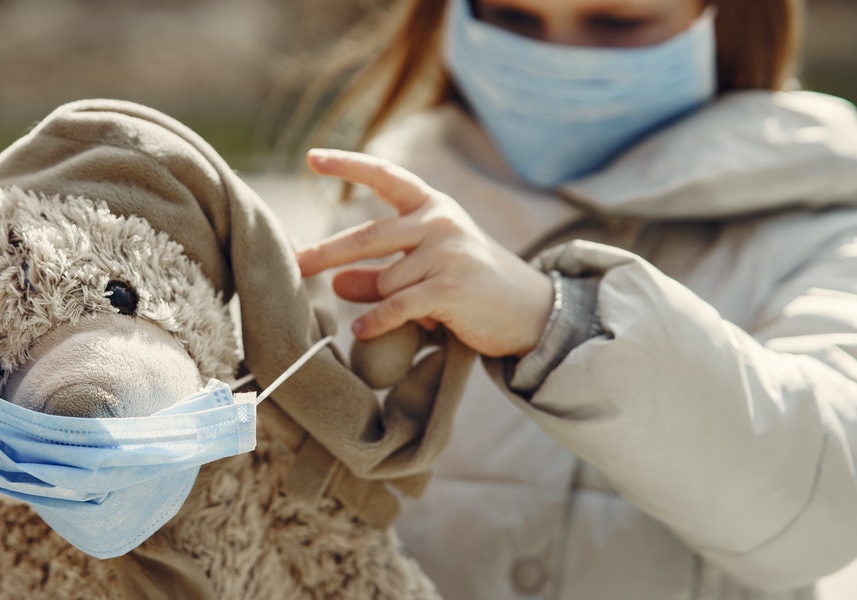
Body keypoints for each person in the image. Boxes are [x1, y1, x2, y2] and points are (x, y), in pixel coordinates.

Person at [293, 0, 857, 597]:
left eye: (618, 23)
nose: (556, 58)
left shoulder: (822, 220)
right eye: (513, 18)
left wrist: (561, 324)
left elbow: (828, 510)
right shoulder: (377, 209)